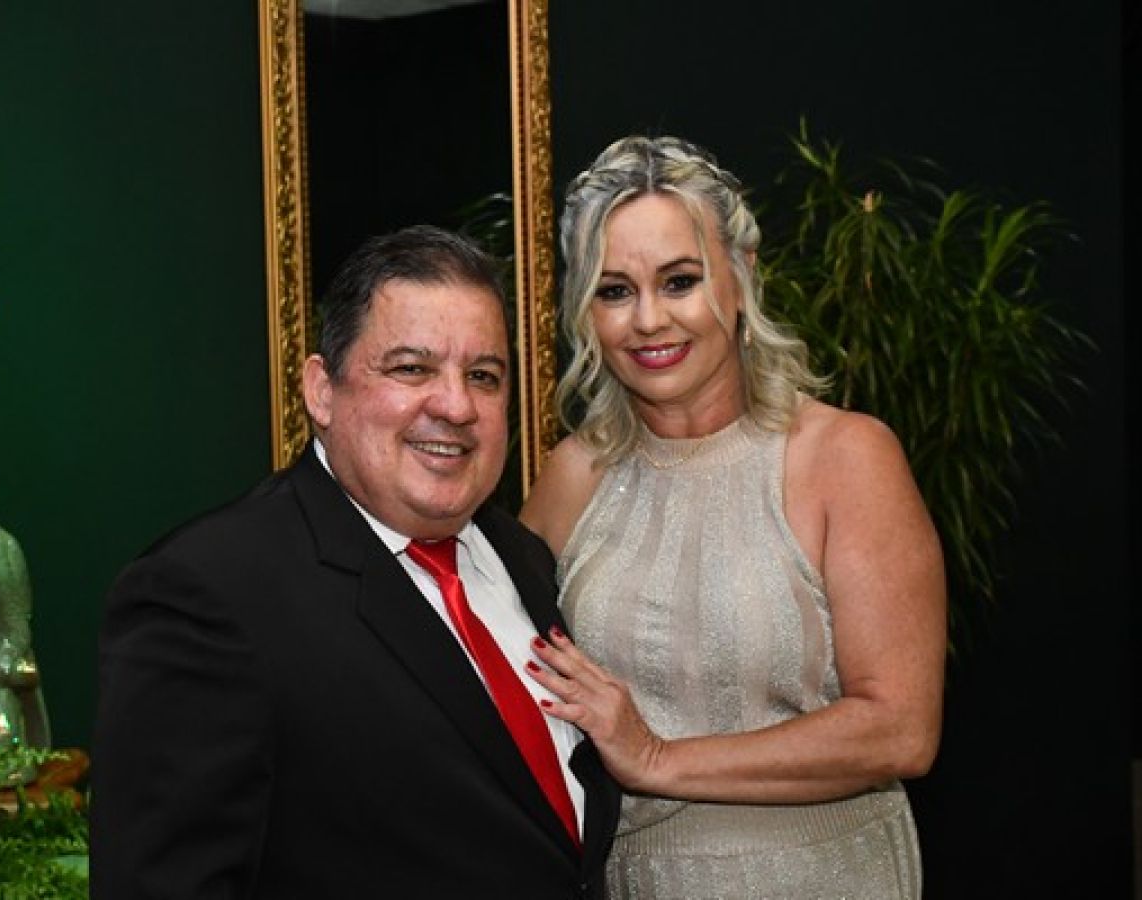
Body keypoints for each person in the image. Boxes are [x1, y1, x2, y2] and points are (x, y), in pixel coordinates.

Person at [92, 225, 619, 898]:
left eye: (483, 376)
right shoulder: (208, 594)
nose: (457, 405)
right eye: (412, 369)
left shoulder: (525, 558)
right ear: (321, 390)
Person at [519, 136, 946, 899]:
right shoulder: (571, 478)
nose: (649, 319)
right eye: (614, 291)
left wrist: (657, 759)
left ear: (743, 276)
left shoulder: (846, 458)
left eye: (680, 281)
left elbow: (900, 730)